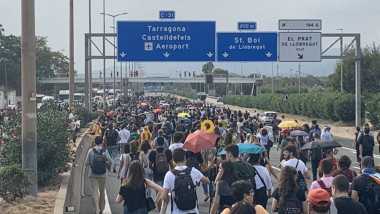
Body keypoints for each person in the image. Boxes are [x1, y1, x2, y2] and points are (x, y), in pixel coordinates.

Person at [162, 148, 210, 214]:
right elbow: (207, 181)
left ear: (173, 160)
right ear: (185, 158)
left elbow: (164, 196)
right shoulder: (193, 171)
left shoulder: (169, 175)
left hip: (177, 211)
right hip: (193, 210)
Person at [84, 136, 113, 214]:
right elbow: (110, 162)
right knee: (102, 192)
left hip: (92, 174)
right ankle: (102, 208)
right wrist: (106, 163)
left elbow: (86, 163)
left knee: (95, 192)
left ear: (95, 142)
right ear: (102, 142)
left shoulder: (91, 151)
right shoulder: (105, 151)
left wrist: (92, 163)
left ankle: (96, 209)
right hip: (103, 174)